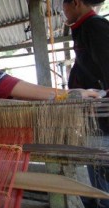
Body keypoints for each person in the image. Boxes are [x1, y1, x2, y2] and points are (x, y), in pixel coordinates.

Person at [63, 0, 109, 207]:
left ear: (75, 3)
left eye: (63, 6)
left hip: (104, 118)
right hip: (96, 117)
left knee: (102, 173)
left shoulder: (95, 27)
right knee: (96, 169)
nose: (62, 11)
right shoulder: (84, 29)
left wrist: (101, 96)